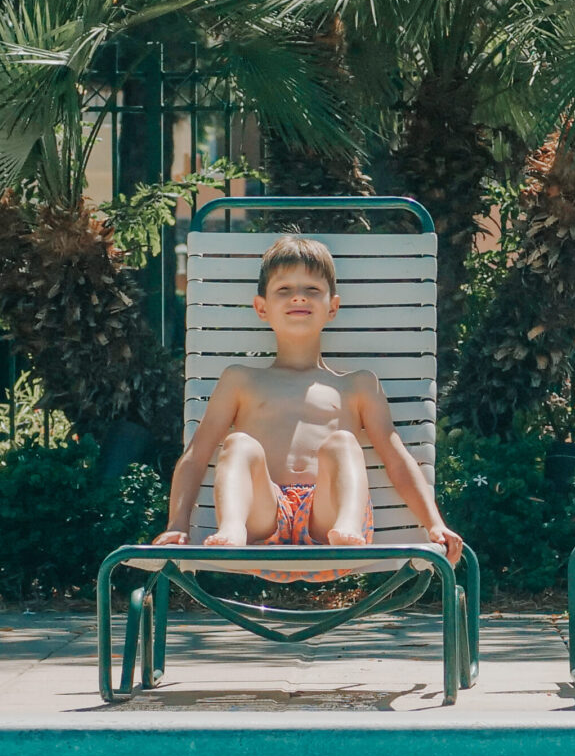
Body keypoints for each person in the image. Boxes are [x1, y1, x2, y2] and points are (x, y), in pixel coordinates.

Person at [159, 234, 464, 561]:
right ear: (262, 307)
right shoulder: (240, 380)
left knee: (344, 442)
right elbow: (196, 454)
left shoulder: (357, 386)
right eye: (284, 290)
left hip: (328, 522)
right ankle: (231, 529)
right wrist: (177, 525)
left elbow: (397, 458)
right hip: (264, 521)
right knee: (238, 445)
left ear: (332, 306)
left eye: (312, 290)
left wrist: (434, 524)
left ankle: (349, 529)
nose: (298, 298)